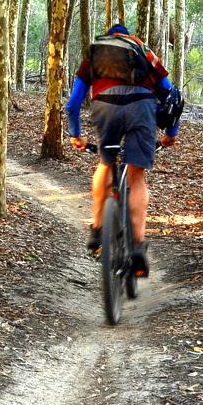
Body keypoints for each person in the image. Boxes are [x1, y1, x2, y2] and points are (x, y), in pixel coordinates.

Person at [67, 22, 181, 277]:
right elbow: (171, 94)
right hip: (141, 108)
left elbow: (73, 103)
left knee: (106, 164)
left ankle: (97, 231)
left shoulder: (94, 52)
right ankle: (138, 247)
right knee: (137, 176)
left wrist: (75, 135)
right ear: (128, 37)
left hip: (106, 108)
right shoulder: (143, 50)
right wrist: (171, 134)